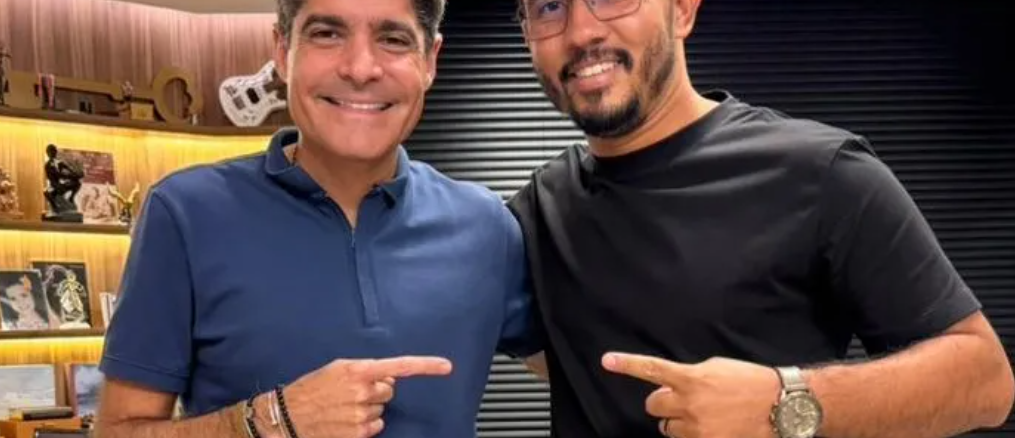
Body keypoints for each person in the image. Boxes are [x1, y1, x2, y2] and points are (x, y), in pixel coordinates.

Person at [507, 0, 1015, 437]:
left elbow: (987, 380)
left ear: (681, 10)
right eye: (550, 6)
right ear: (528, 35)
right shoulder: (536, 214)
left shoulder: (820, 171)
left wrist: (782, 400)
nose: (581, 31)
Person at [95, 0, 541, 437]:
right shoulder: (185, 214)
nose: (360, 68)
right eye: (327, 34)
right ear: (282, 51)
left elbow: (572, 367)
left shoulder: (488, 226)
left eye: (392, 39)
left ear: (429, 60)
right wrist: (271, 420)